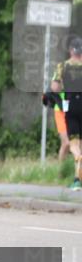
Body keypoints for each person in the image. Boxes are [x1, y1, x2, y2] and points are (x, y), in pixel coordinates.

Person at [50, 37, 82, 190]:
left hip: (71, 105)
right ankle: (77, 177)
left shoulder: (62, 66)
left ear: (70, 50)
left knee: (74, 144)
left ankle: (77, 180)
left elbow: (54, 88)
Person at [42, 89, 71, 162]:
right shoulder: (58, 81)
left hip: (72, 110)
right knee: (66, 143)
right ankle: (61, 166)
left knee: (74, 143)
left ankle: (66, 165)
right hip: (60, 112)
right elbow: (54, 88)